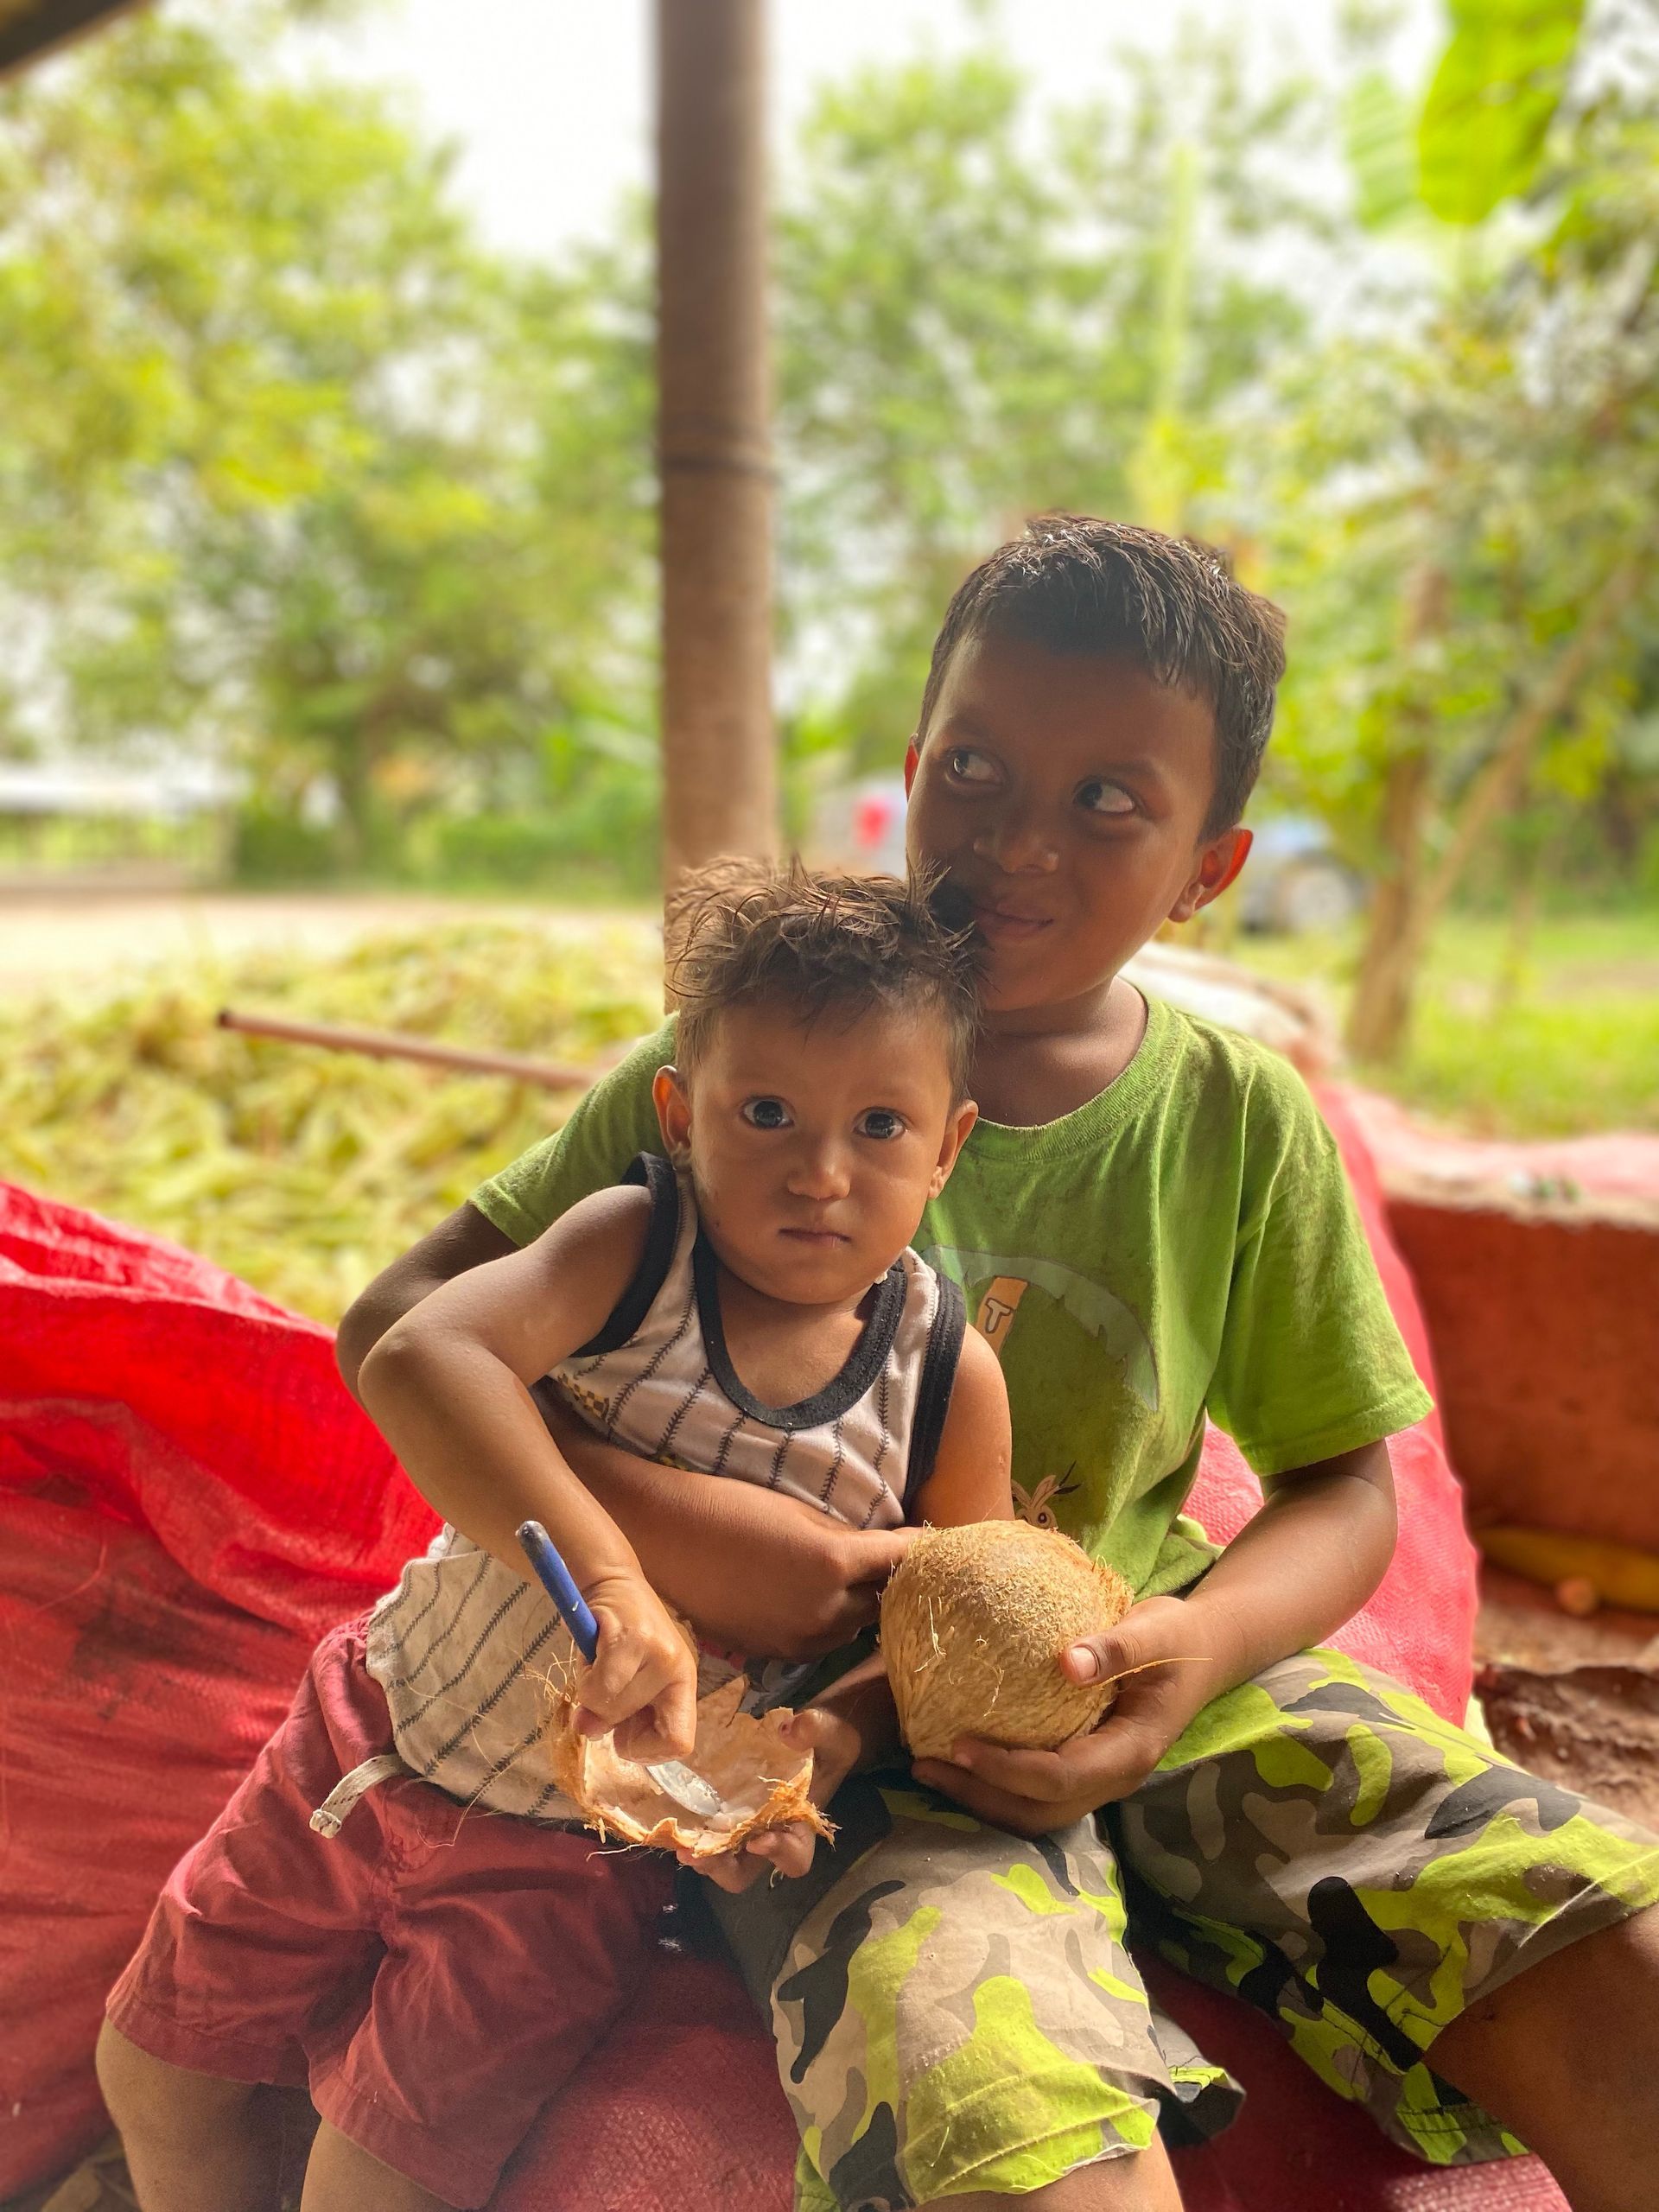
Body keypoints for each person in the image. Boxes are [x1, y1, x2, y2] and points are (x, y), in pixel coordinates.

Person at [324, 516, 1659, 2212]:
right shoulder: (731, 1071)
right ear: (908, 768)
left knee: (1597, 1939)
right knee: (1014, 2128)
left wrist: (1190, 1651)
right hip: (820, 1753)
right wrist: (663, 1542)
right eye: (975, 766)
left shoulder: (1237, 1119)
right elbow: (399, 1329)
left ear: (1209, 865)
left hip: (1170, 1677)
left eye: (1110, 798)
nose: (1018, 837)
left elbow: (1343, 1488)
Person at [95, 868, 1015, 2212]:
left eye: (881, 1125)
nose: (822, 1172)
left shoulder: (943, 1375)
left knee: (374, 2188)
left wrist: (830, 1742)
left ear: (949, 1146)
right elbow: (426, 1346)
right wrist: (612, 1576)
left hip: (560, 1869)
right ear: (677, 1113)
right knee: (156, 2073)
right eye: (766, 1113)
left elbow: (959, 1633)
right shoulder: (634, 1244)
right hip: (369, 1737)